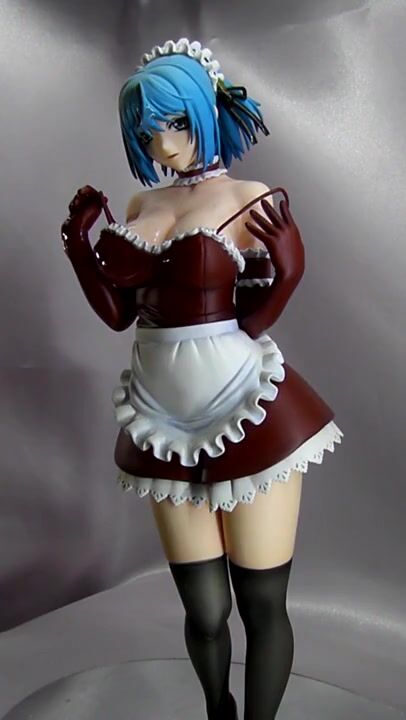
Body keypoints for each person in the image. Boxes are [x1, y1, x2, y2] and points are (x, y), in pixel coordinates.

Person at [61, 38, 343, 720]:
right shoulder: (140, 205)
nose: (163, 144)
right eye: (147, 132)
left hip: (244, 405)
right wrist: (78, 247)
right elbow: (119, 316)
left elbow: (251, 320)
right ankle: (218, 711)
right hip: (159, 413)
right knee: (206, 611)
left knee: (260, 603)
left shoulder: (249, 199)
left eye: (175, 123)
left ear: (205, 112)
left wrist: (290, 271)